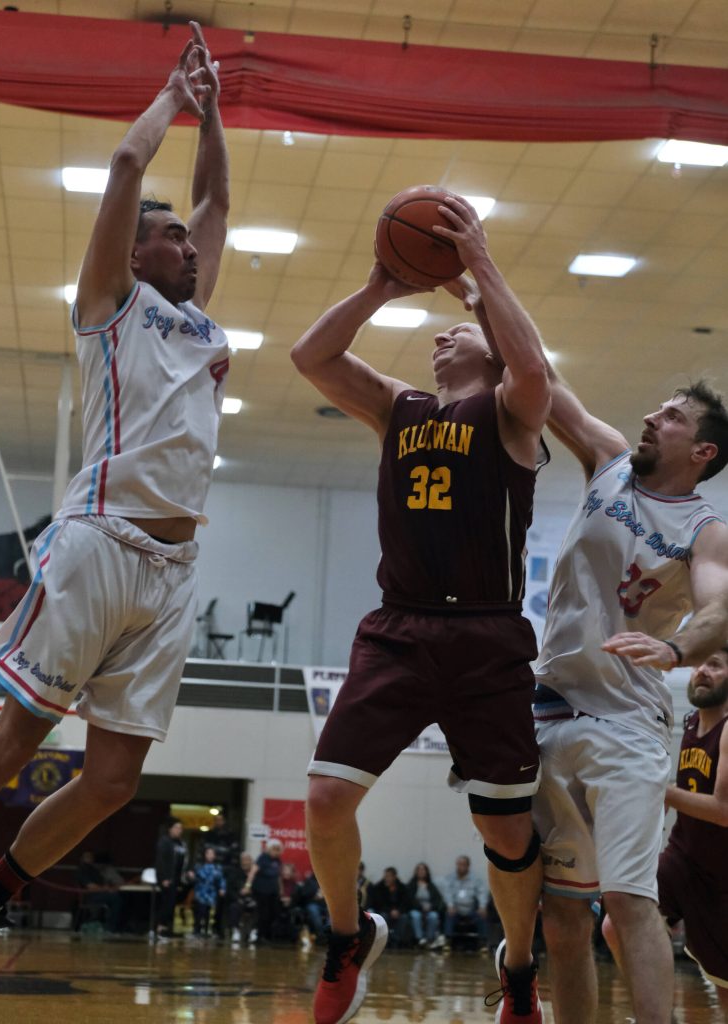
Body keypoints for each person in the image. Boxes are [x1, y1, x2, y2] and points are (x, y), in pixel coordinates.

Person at [0, 22, 230, 943]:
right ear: (135, 253)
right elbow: (129, 168)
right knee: (18, 739)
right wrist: (171, 95)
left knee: (116, 780)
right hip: (100, 542)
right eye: (173, 239)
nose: (192, 247)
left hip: (172, 572)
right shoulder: (109, 304)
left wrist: (213, 117)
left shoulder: (199, 323)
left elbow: (215, 198)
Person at [291, 194, 551, 1024]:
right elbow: (311, 354)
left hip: (486, 636)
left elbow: (535, 369)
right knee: (326, 801)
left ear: (491, 350)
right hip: (398, 629)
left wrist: (479, 268)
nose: (441, 337)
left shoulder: (512, 413)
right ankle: (347, 936)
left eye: (459, 332)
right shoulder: (398, 407)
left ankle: (518, 969)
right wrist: (376, 288)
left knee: (506, 836)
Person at [530, 364, 728, 1024]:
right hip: (552, 703)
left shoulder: (703, 530)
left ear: (704, 453)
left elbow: (719, 610)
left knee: (627, 900)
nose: (653, 418)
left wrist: (674, 650)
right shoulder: (609, 456)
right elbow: (539, 376)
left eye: (672, 417)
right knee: (560, 914)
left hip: (627, 719)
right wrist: (478, 291)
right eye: (658, 408)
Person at [604, 648, 728, 1020]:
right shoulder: (690, 723)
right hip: (683, 858)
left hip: (721, 880)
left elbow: (723, 811)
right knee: (616, 921)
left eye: (716, 665)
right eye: (699, 664)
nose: (702, 671)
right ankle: (656, 1010)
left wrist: (663, 792)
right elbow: (685, 790)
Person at [440, 854, 487, 951]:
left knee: (482, 915)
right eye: (459, 864)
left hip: (471, 909)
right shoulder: (450, 878)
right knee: (449, 914)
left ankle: (482, 942)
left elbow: (481, 893)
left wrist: (482, 906)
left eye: (463, 864)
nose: (461, 867)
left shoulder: (476, 879)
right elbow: (447, 893)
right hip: (456, 909)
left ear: (468, 866)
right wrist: (450, 905)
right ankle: (448, 940)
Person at [244, 838, 283, 944]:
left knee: (272, 914)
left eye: (278, 849)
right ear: (269, 849)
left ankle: (267, 936)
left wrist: (281, 890)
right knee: (263, 914)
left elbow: (278, 876)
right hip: (261, 891)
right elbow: (252, 872)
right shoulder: (263, 858)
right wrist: (247, 886)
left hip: (273, 892)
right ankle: (260, 936)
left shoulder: (278, 860)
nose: (276, 851)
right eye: (274, 849)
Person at [155, 818, 189, 939]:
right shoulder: (164, 842)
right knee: (167, 903)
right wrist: (163, 877)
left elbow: (184, 861)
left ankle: (167, 927)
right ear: (170, 829)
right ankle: (160, 927)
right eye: (177, 828)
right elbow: (161, 861)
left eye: (181, 828)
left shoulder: (181, 843)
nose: (179, 830)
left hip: (178, 878)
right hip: (167, 878)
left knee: (173, 903)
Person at [367, 867, 411, 948]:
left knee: (404, 917)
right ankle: (385, 940)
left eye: (389, 876)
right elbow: (378, 903)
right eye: (385, 876)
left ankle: (396, 940)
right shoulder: (379, 887)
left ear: (394, 877)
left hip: (398, 912)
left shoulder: (402, 888)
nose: (386, 878)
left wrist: (399, 911)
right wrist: (390, 911)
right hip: (384, 911)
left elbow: (406, 902)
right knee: (383, 917)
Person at [406, 862, 445, 949]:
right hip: (416, 909)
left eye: (423, 870)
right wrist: (421, 907)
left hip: (429, 909)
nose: (421, 872)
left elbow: (437, 900)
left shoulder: (431, 886)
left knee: (433, 916)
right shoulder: (411, 885)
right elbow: (409, 899)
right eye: (419, 870)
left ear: (426, 872)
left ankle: (429, 939)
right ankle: (420, 939)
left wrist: (430, 907)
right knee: (415, 915)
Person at [192, 846, 226, 938]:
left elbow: (221, 879)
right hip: (200, 892)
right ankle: (197, 930)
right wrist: (191, 876)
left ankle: (207, 930)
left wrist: (222, 888)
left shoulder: (217, 867)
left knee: (208, 912)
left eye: (212, 854)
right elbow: (194, 878)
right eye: (208, 853)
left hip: (211, 894)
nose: (210, 856)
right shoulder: (198, 866)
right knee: (199, 911)